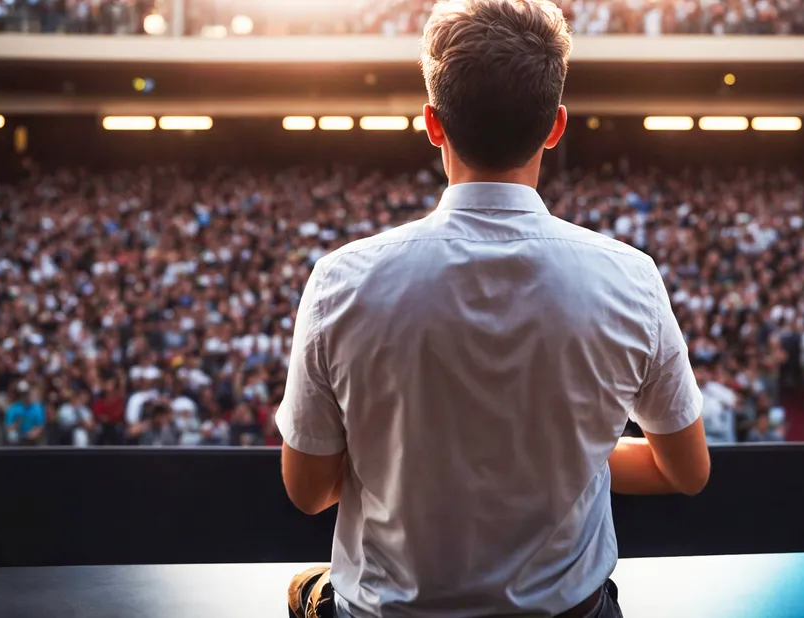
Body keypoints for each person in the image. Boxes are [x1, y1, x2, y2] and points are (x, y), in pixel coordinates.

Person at [277, 2, 710, 617]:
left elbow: (308, 489)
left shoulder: (339, 281)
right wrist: (556, 445)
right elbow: (685, 471)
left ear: (432, 123)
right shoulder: (631, 278)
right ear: (554, 126)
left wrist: (424, 450)